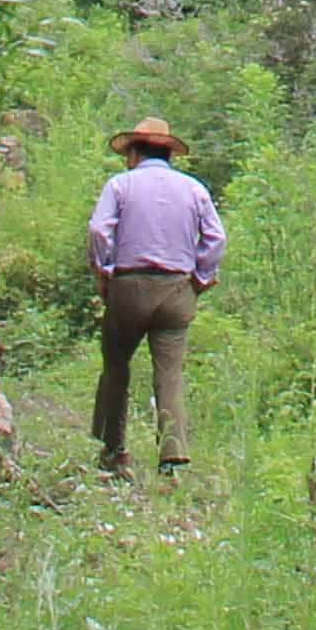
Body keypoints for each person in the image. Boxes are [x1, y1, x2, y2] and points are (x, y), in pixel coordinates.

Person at [84, 117, 224, 477]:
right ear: (167, 154)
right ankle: (170, 460)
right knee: (169, 373)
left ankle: (111, 450)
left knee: (116, 364)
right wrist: (201, 277)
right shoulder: (194, 189)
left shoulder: (120, 184)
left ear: (134, 153)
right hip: (177, 288)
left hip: (129, 285)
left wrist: (104, 269)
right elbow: (216, 238)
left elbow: (99, 230)